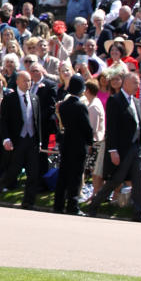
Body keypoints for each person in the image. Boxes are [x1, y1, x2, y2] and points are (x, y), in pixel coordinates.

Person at [84, 65, 141, 221]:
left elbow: (139, 123)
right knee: (116, 180)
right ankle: (95, 204)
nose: (137, 86)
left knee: (138, 180)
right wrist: (113, 150)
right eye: (135, 83)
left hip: (136, 148)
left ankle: (139, 212)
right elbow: (112, 127)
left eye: (138, 83)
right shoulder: (115, 101)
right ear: (125, 83)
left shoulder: (137, 102)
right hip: (122, 148)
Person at [0, 67, 41, 207]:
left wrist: (39, 141)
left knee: (33, 172)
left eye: (30, 81)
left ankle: (28, 201)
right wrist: (6, 139)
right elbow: (4, 121)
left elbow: (37, 120)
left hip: (31, 140)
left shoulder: (34, 98)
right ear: (18, 81)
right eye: (25, 80)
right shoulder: (9, 98)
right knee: (13, 171)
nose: (28, 83)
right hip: (17, 140)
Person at [53, 74, 94, 214]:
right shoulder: (80, 106)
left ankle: (58, 204)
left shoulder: (63, 105)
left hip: (66, 143)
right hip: (78, 144)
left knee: (63, 175)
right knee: (76, 176)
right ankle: (72, 205)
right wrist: (90, 141)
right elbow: (87, 127)